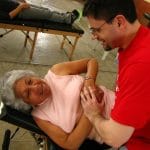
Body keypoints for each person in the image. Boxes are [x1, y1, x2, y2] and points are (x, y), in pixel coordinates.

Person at [1, 58, 114, 149]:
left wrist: (89, 81)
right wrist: (92, 110)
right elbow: (70, 144)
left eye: (30, 81)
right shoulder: (40, 116)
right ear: (26, 103)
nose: (35, 86)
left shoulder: (56, 71)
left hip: (119, 102)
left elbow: (91, 62)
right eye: (28, 93)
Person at [80, 0, 150, 150]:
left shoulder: (140, 65)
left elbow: (114, 138)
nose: (94, 36)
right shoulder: (136, 42)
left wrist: (93, 114)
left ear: (119, 22)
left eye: (96, 30)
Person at [0, 0, 80, 24]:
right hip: (21, 12)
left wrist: (19, 2)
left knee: (46, 10)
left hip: (19, 6)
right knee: (46, 14)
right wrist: (20, 7)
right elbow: (8, 16)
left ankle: (64, 16)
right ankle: (67, 19)